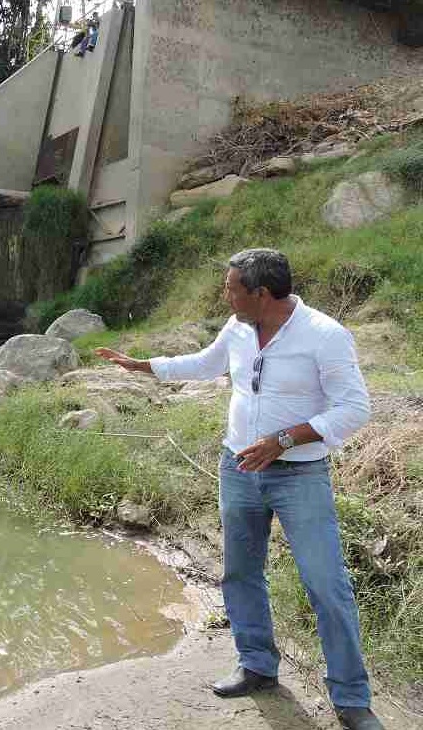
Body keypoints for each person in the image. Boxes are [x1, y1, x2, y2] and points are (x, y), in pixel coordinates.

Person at [95, 249, 382, 730]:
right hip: (238, 468)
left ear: (261, 294)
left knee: (327, 586)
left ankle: (352, 699)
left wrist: (284, 440)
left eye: (231, 288)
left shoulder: (325, 336)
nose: (224, 294)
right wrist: (142, 366)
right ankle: (256, 665)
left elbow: (353, 408)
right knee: (241, 573)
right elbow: (206, 364)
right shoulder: (238, 328)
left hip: (300, 475)